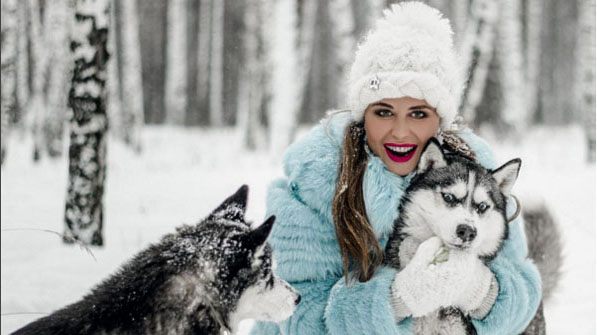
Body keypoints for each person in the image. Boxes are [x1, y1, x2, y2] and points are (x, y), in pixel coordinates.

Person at [251, 2, 541, 334]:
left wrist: (481, 292)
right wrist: (395, 299)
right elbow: (296, 315)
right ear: (363, 115)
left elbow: (523, 298)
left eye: (418, 114)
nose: (400, 132)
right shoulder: (315, 181)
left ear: (440, 120)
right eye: (384, 112)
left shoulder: (479, 176)